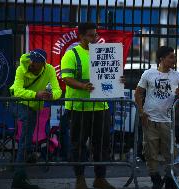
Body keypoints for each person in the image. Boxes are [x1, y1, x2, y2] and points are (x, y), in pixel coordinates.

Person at [60, 22, 118, 189]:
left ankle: (100, 178)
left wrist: (117, 81)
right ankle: (80, 179)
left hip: (101, 107)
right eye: (91, 35)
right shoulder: (72, 54)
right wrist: (83, 86)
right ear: (81, 37)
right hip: (79, 107)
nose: (95, 38)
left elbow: (111, 75)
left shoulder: (102, 53)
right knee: (78, 144)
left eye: (96, 35)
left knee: (102, 144)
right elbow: (66, 78)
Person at [134, 46, 179, 189]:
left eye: (174, 57)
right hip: (150, 119)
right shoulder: (149, 74)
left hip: (167, 120)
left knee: (170, 152)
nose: (173, 60)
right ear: (162, 59)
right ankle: (155, 179)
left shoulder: (176, 75)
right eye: (171, 57)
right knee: (150, 152)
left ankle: (169, 177)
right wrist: (141, 112)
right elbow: (138, 93)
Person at [9, 48, 62, 189]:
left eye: (37, 61)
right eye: (32, 59)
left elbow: (58, 90)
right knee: (25, 137)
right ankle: (18, 180)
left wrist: (52, 96)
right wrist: (35, 94)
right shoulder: (22, 68)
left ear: (43, 63)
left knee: (26, 141)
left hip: (32, 108)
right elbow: (16, 90)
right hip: (17, 103)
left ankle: (21, 173)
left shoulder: (49, 70)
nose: (32, 63)